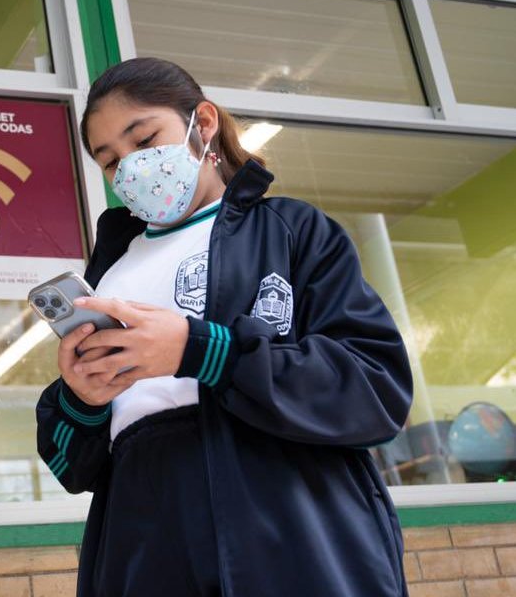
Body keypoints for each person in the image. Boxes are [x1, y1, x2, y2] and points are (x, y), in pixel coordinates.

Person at [36, 57, 413, 597]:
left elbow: (375, 389)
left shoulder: (291, 231)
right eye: (111, 161)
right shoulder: (108, 274)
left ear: (203, 123)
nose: (131, 168)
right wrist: (81, 400)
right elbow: (73, 468)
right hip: (144, 540)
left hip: (291, 528)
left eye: (144, 141)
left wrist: (203, 351)